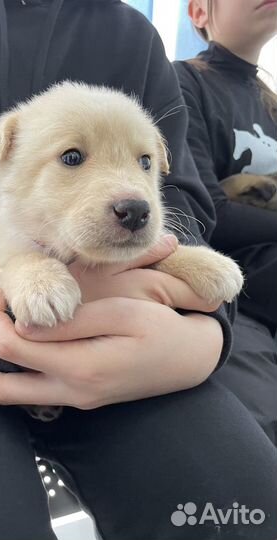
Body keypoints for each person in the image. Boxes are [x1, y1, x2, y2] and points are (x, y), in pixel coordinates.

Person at [0, 1, 276, 539]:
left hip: (127, 329)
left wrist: (206, 329)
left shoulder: (131, 37)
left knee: (244, 510)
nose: (131, 192)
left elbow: (184, 206)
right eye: (71, 158)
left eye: (142, 162)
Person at [174, 0, 277, 444]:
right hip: (237, 296)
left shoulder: (271, 102)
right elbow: (208, 215)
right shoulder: (184, 82)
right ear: (200, 12)